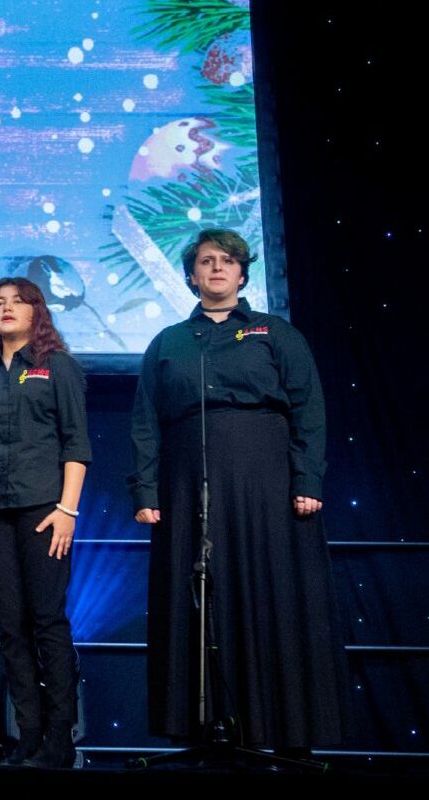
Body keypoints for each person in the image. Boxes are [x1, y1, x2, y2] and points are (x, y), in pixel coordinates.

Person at [129, 228, 345, 755]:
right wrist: (146, 491)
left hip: (265, 482)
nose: (217, 268)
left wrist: (306, 481)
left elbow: (308, 410)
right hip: (187, 486)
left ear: (243, 272)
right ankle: (203, 731)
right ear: (192, 274)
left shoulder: (277, 333)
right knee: (196, 599)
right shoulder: (170, 342)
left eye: (227, 260)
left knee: (271, 594)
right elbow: (144, 423)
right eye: (206, 261)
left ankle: (289, 733)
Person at [0, 277, 91, 768]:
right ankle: (27, 738)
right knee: (10, 629)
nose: (6, 309)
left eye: (18, 302)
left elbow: (76, 445)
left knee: (47, 622)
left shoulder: (60, 367)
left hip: (45, 511)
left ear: (38, 311)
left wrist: (67, 511)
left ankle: (61, 738)